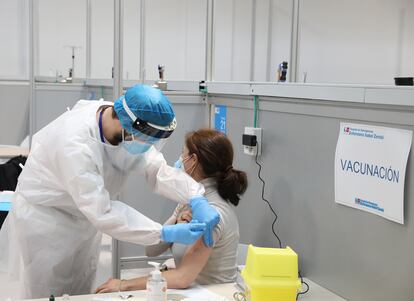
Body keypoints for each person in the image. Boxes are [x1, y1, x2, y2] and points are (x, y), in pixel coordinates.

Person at [0, 85, 220, 298]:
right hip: (46, 225)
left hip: (84, 222)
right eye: (147, 139)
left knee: (80, 291)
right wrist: (162, 233)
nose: (147, 146)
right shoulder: (74, 144)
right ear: (126, 125)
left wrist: (196, 195)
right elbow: (102, 211)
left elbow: (156, 169)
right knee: (43, 293)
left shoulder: (124, 124)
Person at [96, 129, 247, 293]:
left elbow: (183, 278)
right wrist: (175, 221)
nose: (179, 160)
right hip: (192, 291)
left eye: (183, 154)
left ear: (193, 161)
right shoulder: (192, 202)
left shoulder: (211, 214)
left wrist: (123, 284)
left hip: (212, 295)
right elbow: (151, 250)